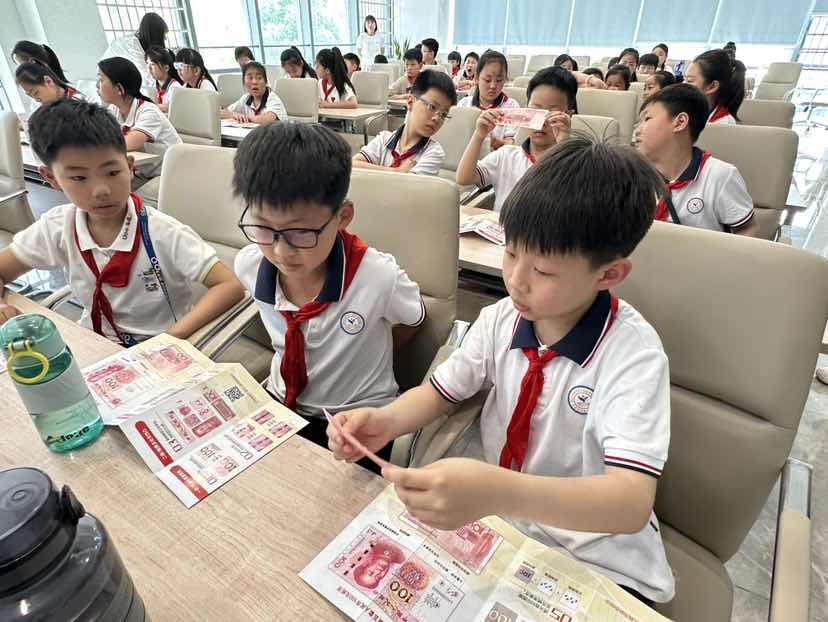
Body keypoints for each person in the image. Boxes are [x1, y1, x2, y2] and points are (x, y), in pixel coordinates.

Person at [329, 138, 676, 607]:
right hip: (508, 531)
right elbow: (440, 393)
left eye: (543, 271)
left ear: (609, 275)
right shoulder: (500, 319)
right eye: (511, 254)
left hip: (600, 558)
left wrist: (497, 492)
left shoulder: (633, 355)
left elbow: (630, 502)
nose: (515, 279)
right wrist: (385, 421)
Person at [232, 122, 426, 473]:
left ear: (342, 217)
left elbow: (414, 320)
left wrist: (365, 349)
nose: (281, 251)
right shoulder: (250, 264)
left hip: (358, 420)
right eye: (263, 228)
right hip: (280, 404)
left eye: (301, 232)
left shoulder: (377, 277)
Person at [0, 98, 244, 343]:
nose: (101, 190)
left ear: (129, 166)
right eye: (79, 178)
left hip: (161, 344)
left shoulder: (162, 232)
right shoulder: (57, 226)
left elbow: (229, 285)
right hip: (97, 341)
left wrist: (171, 337)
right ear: (52, 178)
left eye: (112, 172)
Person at [634, 83, 758, 236]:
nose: (637, 130)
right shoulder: (634, 174)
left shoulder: (720, 176)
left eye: (647, 119)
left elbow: (747, 229)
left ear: (680, 122)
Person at [456, 67, 575, 212]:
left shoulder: (577, 162)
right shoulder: (507, 156)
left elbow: (573, 201)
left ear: (568, 115)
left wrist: (563, 145)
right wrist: (479, 134)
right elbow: (464, 178)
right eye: (535, 110)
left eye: (552, 114)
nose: (542, 122)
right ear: (525, 110)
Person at [97, 57, 182, 185]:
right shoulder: (114, 109)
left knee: (123, 195)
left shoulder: (148, 111)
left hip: (169, 175)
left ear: (119, 88)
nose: (97, 85)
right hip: (143, 174)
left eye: (101, 80)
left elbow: (128, 143)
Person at [354, 71, 455, 175]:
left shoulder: (433, 152)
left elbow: (406, 184)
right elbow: (353, 165)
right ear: (410, 102)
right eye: (432, 107)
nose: (437, 118)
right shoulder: (384, 139)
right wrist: (396, 171)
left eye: (443, 115)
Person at [458, 50, 520, 150]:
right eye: (487, 80)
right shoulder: (463, 104)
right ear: (476, 78)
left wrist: (497, 143)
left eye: (499, 80)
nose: (493, 86)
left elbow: (512, 144)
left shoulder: (511, 107)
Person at [101, 12, 167, 94]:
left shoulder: (138, 41)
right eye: (163, 35)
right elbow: (150, 76)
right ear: (155, 35)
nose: (165, 38)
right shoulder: (132, 46)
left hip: (113, 81)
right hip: (107, 83)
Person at [684, 49, 744, 124]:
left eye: (689, 80)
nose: (683, 84)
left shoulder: (723, 122)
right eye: (684, 79)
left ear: (712, 86)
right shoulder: (686, 108)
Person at [221, 61, 286, 125]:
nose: (254, 82)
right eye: (250, 78)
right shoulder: (246, 98)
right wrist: (234, 115)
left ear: (266, 81)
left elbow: (269, 119)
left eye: (259, 78)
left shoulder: (272, 98)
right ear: (244, 82)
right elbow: (221, 113)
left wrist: (245, 118)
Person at [15, 63, 84, 107]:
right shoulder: (49, 106)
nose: (37, 100)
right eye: (31, 96)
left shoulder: (78, 103)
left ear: (48, 81)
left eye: (36, 93)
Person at [144, 46, 183, 113]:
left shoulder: (175, 88)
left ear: (166, 68)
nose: (149, 68)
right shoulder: (151, 86)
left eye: (153, 64)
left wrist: (153, 106)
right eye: (147, 63)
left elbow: (178, 110)